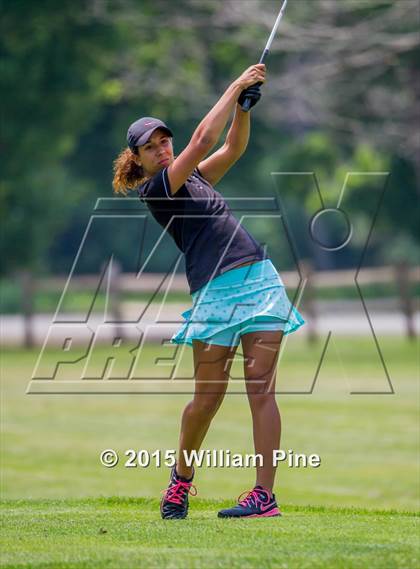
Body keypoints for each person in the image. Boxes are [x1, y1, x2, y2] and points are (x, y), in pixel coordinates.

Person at [112, 63, 306, 519]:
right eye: (151, 146)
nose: (162, 149)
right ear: (136, 158)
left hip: (259, 280)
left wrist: (243, 108)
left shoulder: (194, 176)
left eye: (165, 141)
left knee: (262, 391)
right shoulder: (159, 189)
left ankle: (264, 496)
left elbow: (231, 147)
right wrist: (234, 84)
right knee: (208, 399)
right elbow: (201, 139)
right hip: (214, 294)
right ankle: (180, 483)